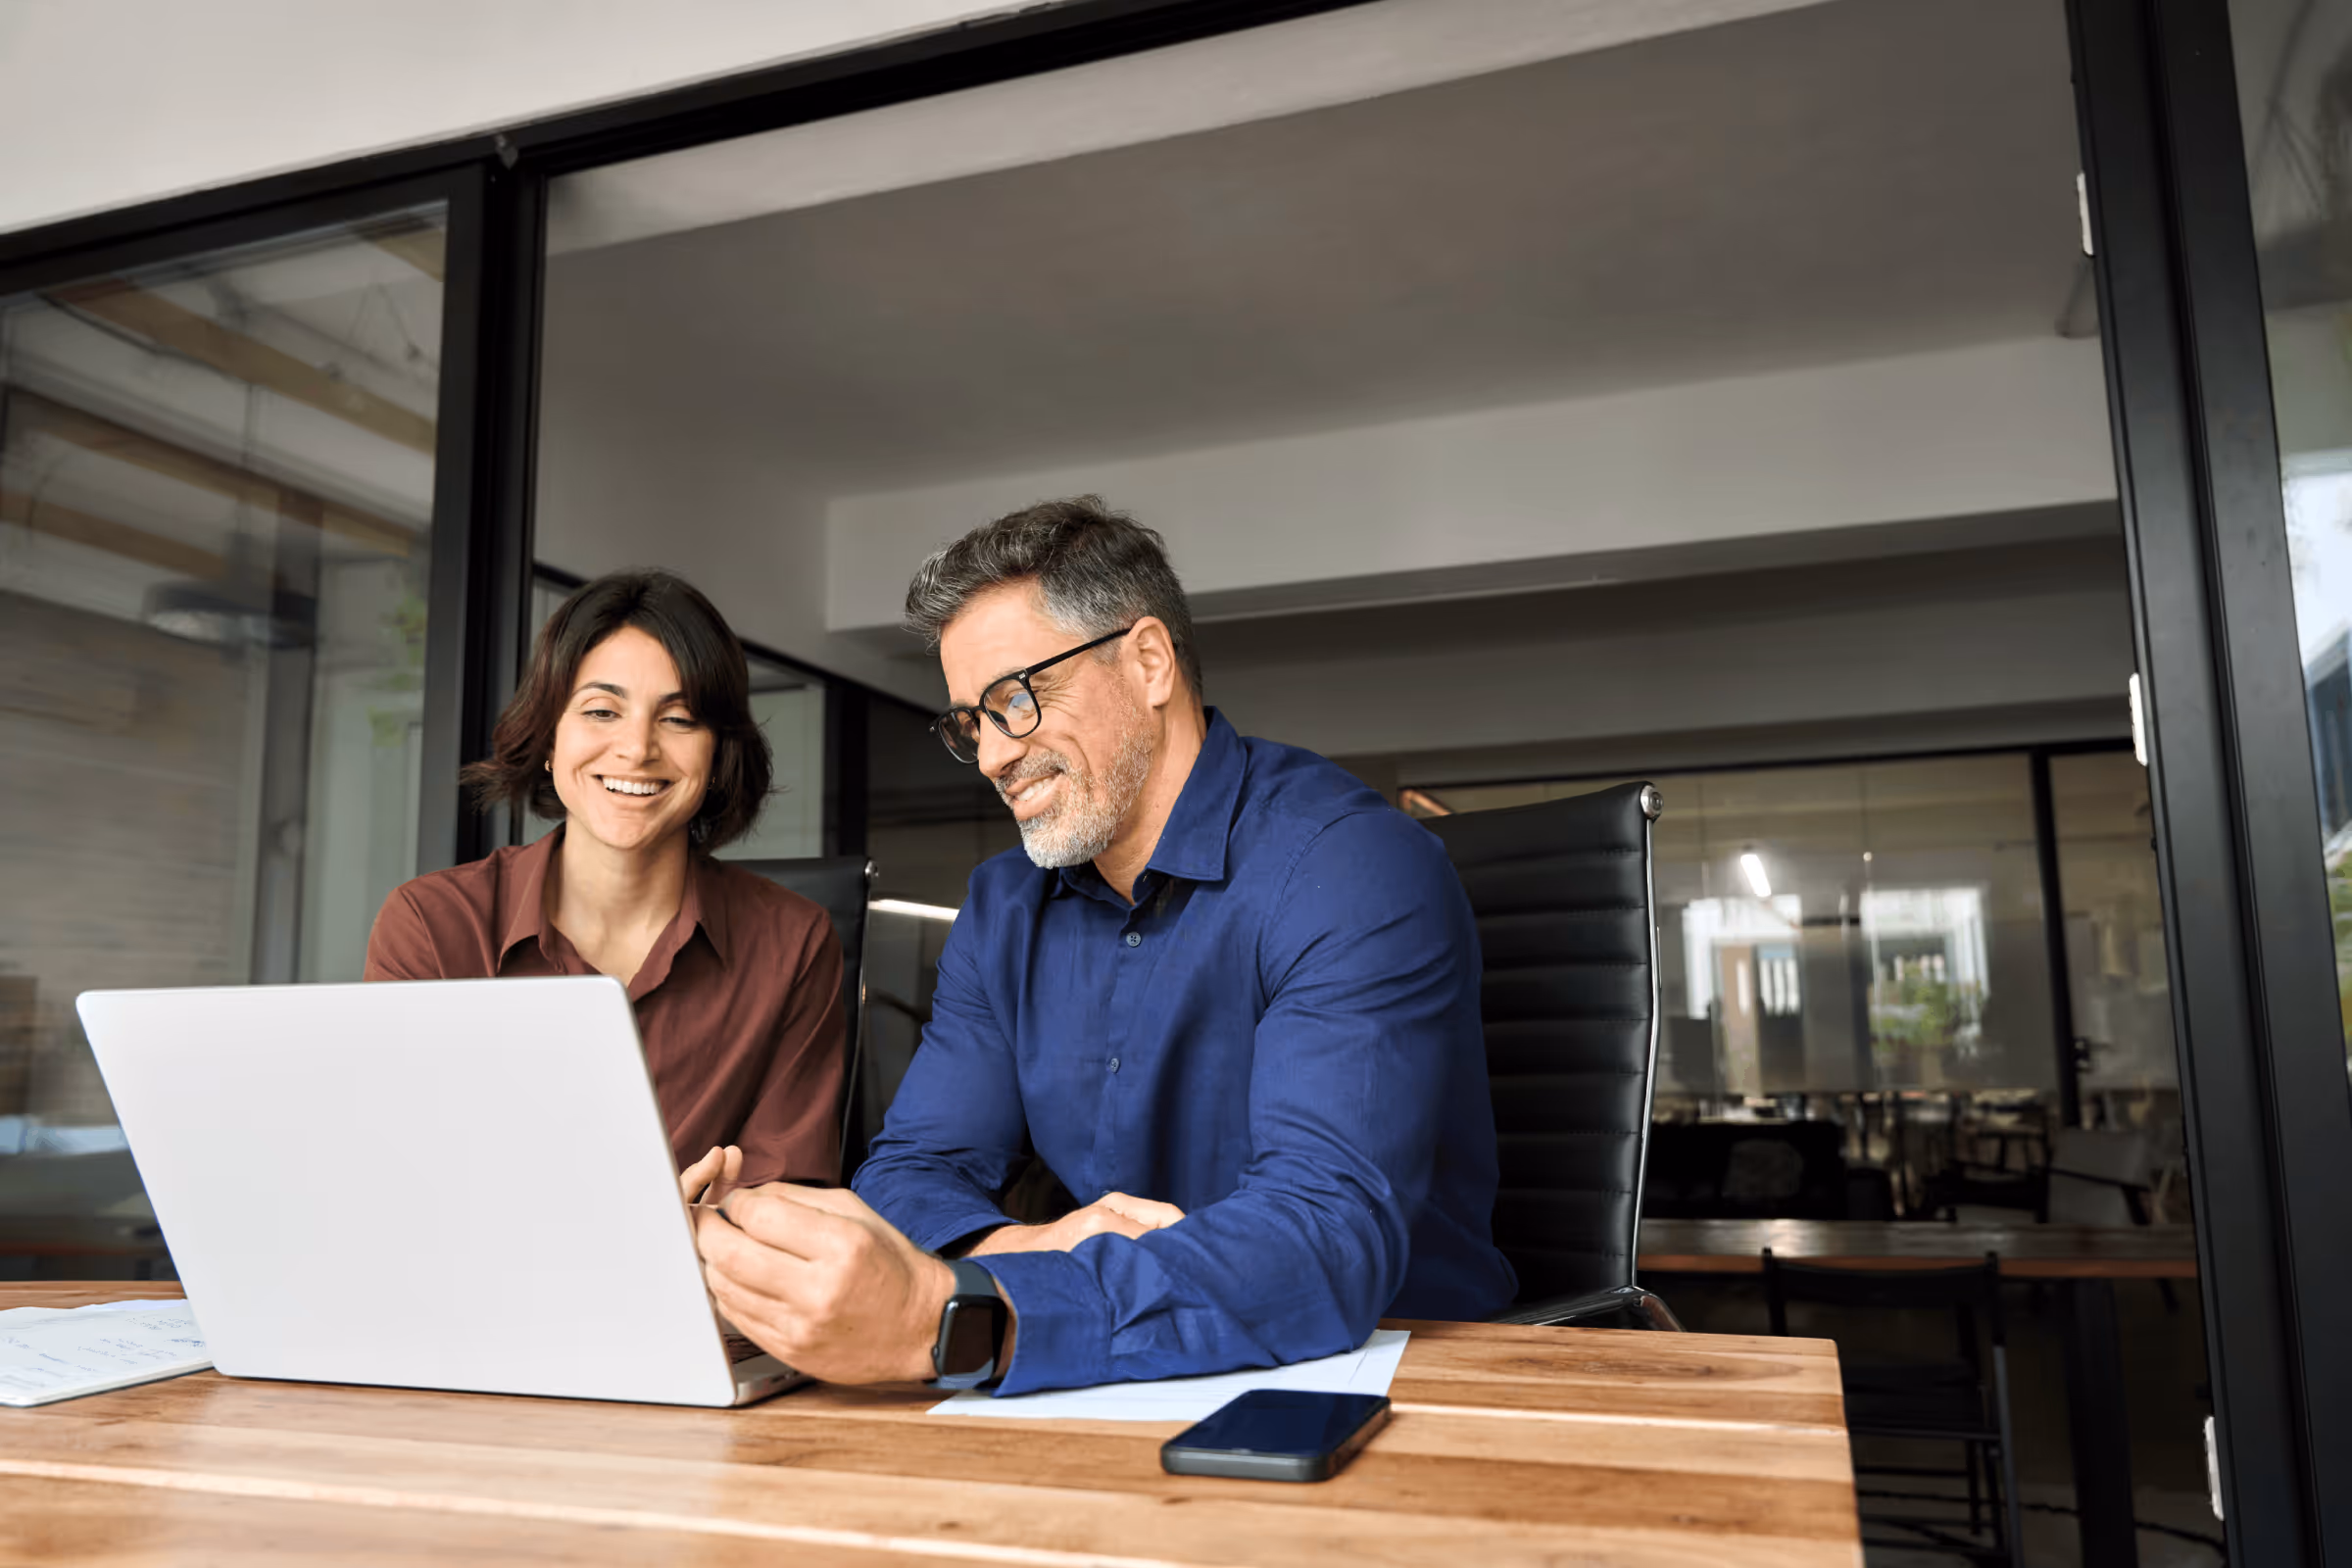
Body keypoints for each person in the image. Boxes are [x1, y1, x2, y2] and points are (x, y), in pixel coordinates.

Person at [695, 498, 1514, 1394]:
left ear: (1150, 662)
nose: (995, 756)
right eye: (971, 721)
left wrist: (971, 1315)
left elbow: (1317, 1242)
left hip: (1395, 1375)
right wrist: (1029, 1250)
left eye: (1017, 698)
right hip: (1102, 1372)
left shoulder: (1350, 866)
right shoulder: (1004, 905)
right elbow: (911, 1175)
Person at [366, 569, 846, 1199]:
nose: (637, 748)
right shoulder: (432, 925)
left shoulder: (794, 945)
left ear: (716, 751)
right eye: (601, 711)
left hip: (699, 1296)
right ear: (548, 738)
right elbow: (397, 1176)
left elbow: (788, 1207)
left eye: (678, 719)